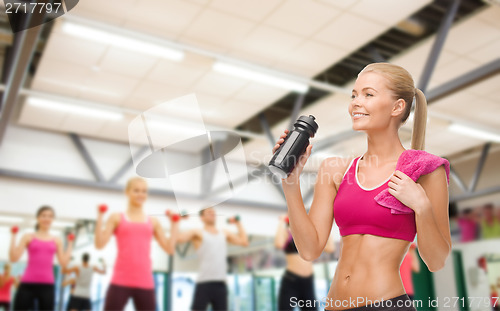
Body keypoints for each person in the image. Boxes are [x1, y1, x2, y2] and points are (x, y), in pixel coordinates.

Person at [272, 63, 451, 311]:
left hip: (386, 305)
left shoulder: (425, 172)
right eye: (354, 95)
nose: (356, 102)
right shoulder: (335, 169)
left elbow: (437, 260)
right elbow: (310, 249)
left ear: (397, 107)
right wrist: (291, 186)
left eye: (368, 94)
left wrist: (422, 207)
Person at [94, 176, 178, 311]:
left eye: (144, 191)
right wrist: (99, 217)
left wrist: (174, 225)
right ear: (127, 192)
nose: (141, 194)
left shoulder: (153, 221)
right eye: (136, 190)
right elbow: (99, 244)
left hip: (145, 281)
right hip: (120, 280)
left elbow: (169, 248)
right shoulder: (116, 217)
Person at [176, 206, 249, 311]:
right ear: (202, 217)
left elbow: (244, 242)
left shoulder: (224, 232)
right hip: (204, 283)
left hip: (221, 284)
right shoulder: (197, 232)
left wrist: (238, 224)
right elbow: (178, 239)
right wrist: (178, 219)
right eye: (209, 212)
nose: (212, 213)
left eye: (214, 212)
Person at [10, 206, 73, 310]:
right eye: (43, 216)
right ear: (38, 218)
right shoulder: (28, 236)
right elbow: (13, 258)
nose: (47, 219)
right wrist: (13, 236)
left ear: (53, 219)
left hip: (47, 285)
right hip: (27, 283)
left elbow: (63, 262)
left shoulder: (57, 240)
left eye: (50, 216)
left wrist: (70, 243)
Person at [275, 215, 335, 311]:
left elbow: (330, 248)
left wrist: (328, 228)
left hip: (308, 282)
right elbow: (278, 243)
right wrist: (282, 221)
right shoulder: (288, 233)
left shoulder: (309, 237)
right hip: (291, 280)